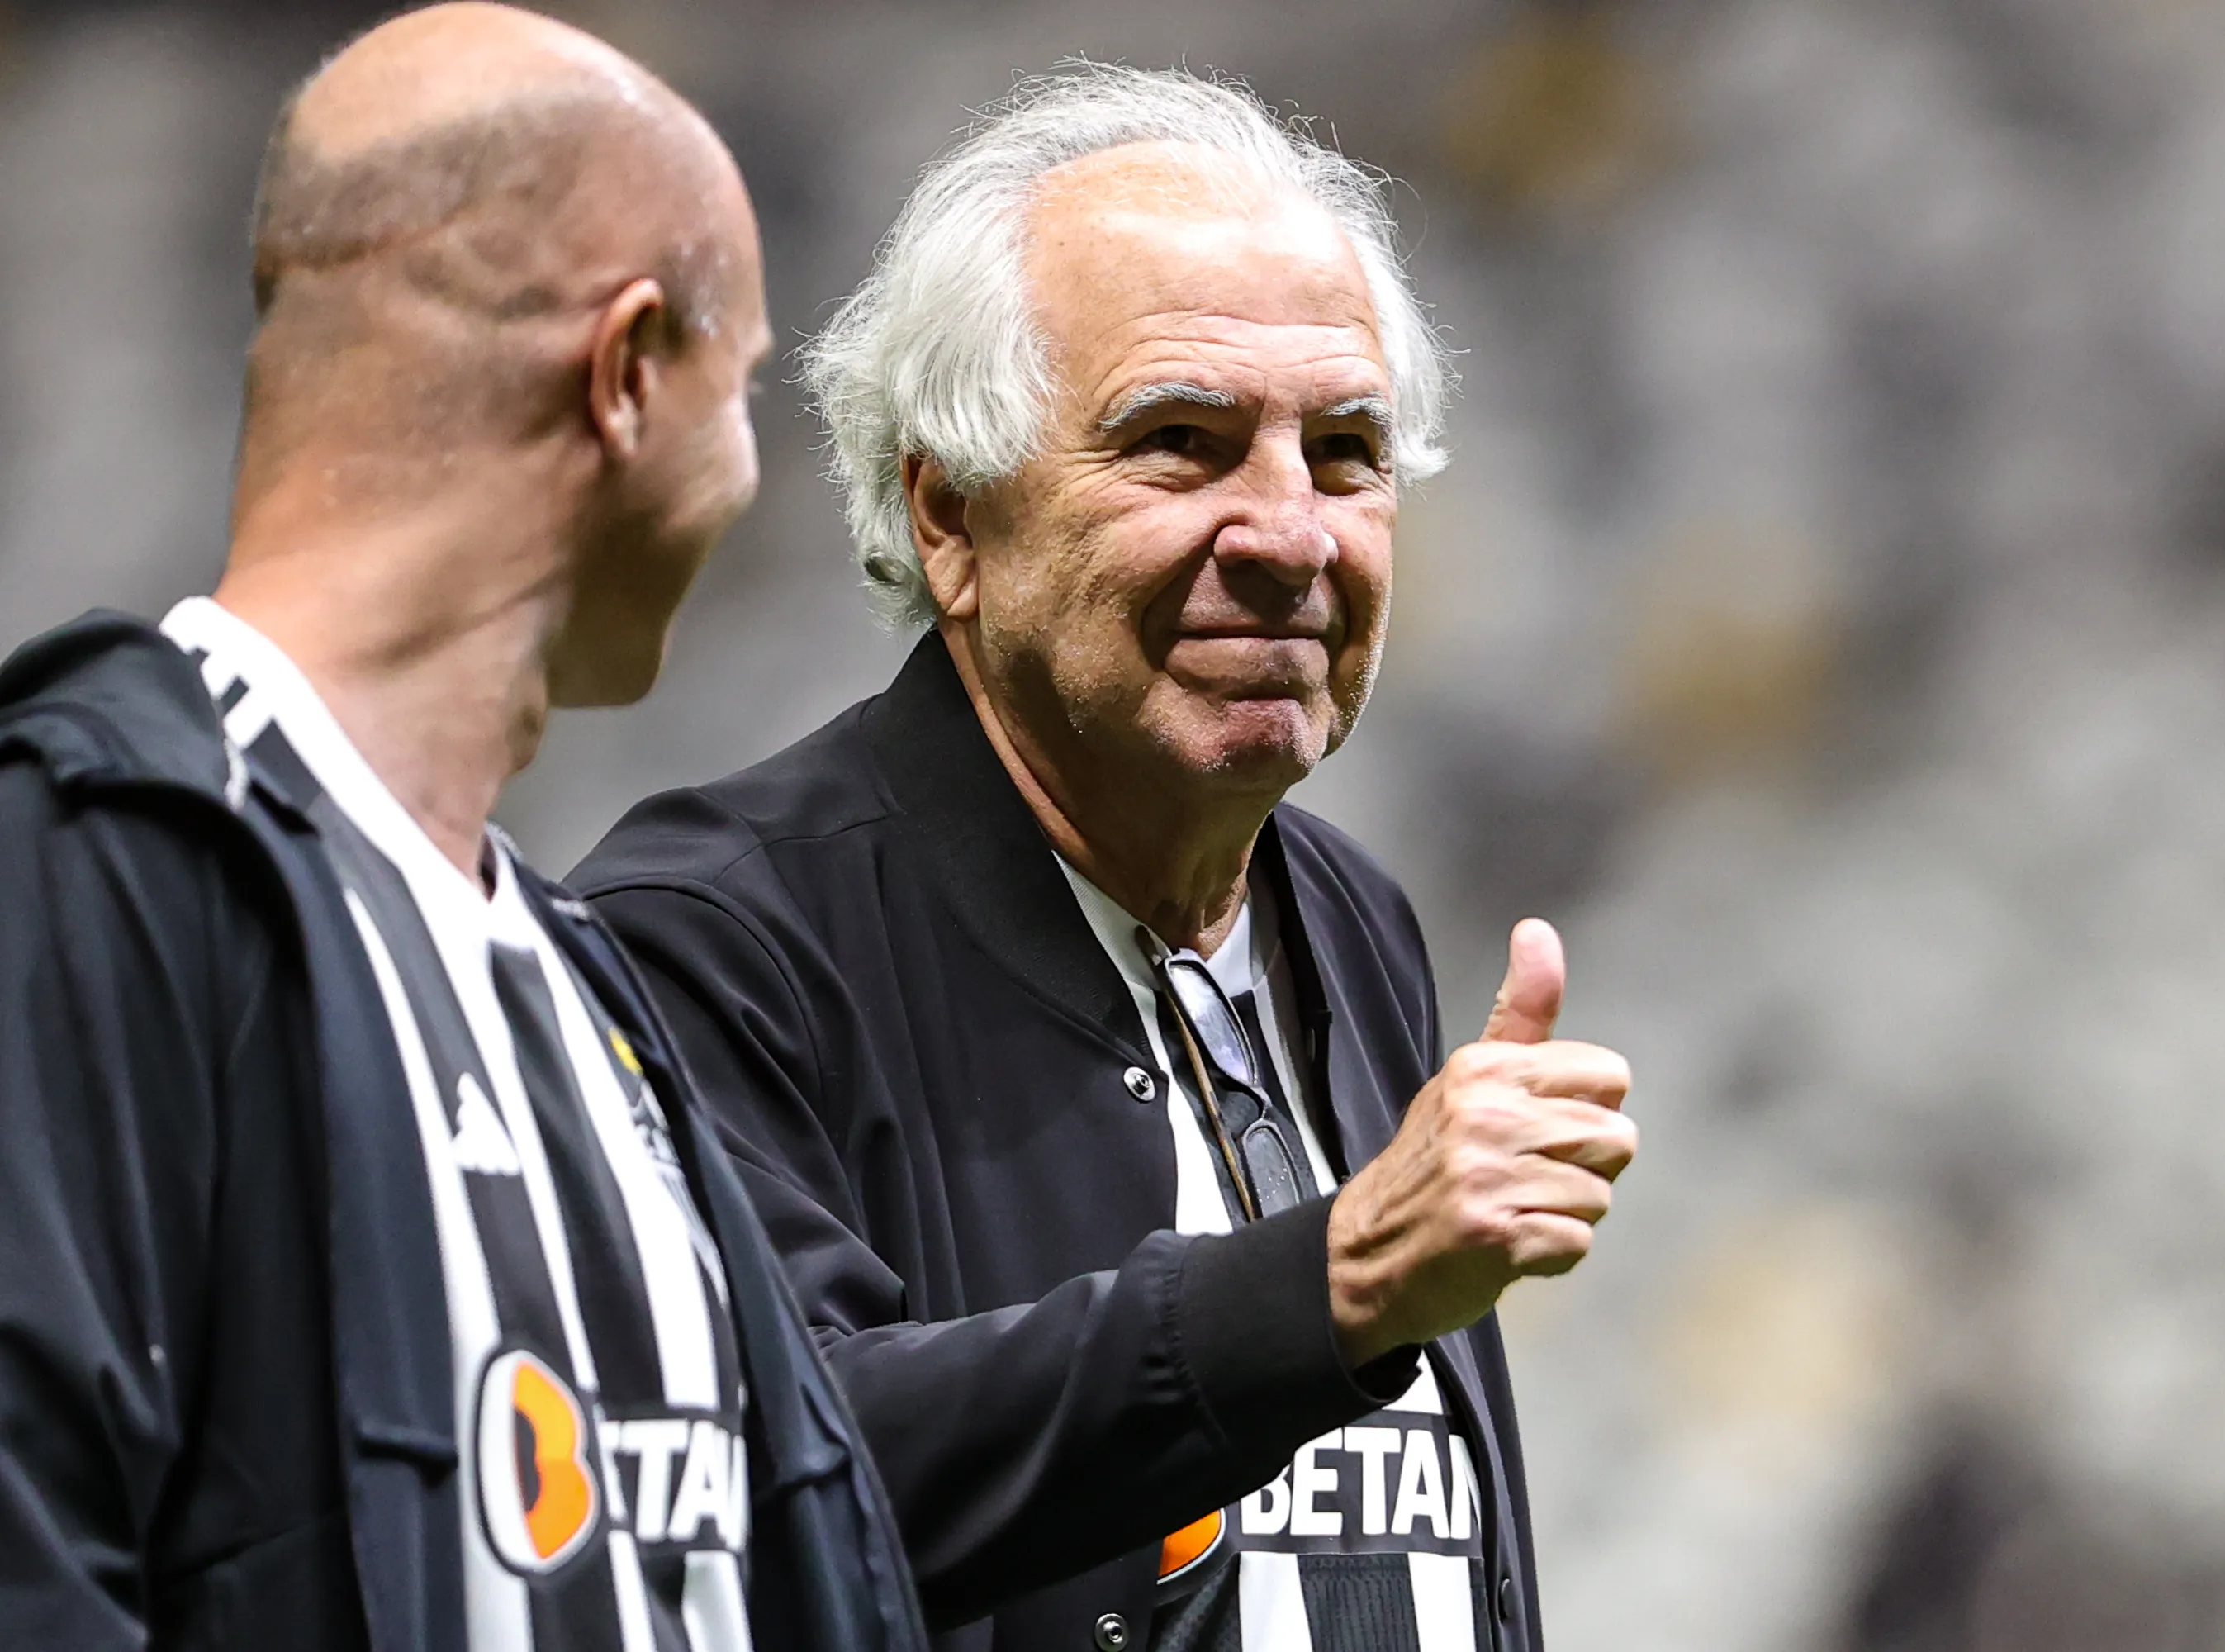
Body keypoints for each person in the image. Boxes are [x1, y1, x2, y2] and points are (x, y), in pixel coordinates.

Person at [573, 65, 1636, 1652]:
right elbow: (757, 1488)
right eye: (1183, 442)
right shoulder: (707, 941)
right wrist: (1331, 1286)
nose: (1291, 536)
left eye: (1344, 452)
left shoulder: (1350, 921)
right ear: (951, 518)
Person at [0, 7, 924, 1650]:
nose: (747, 477)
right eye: (744, 390)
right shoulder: (85, 867)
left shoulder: (582, 989)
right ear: (628, 371)